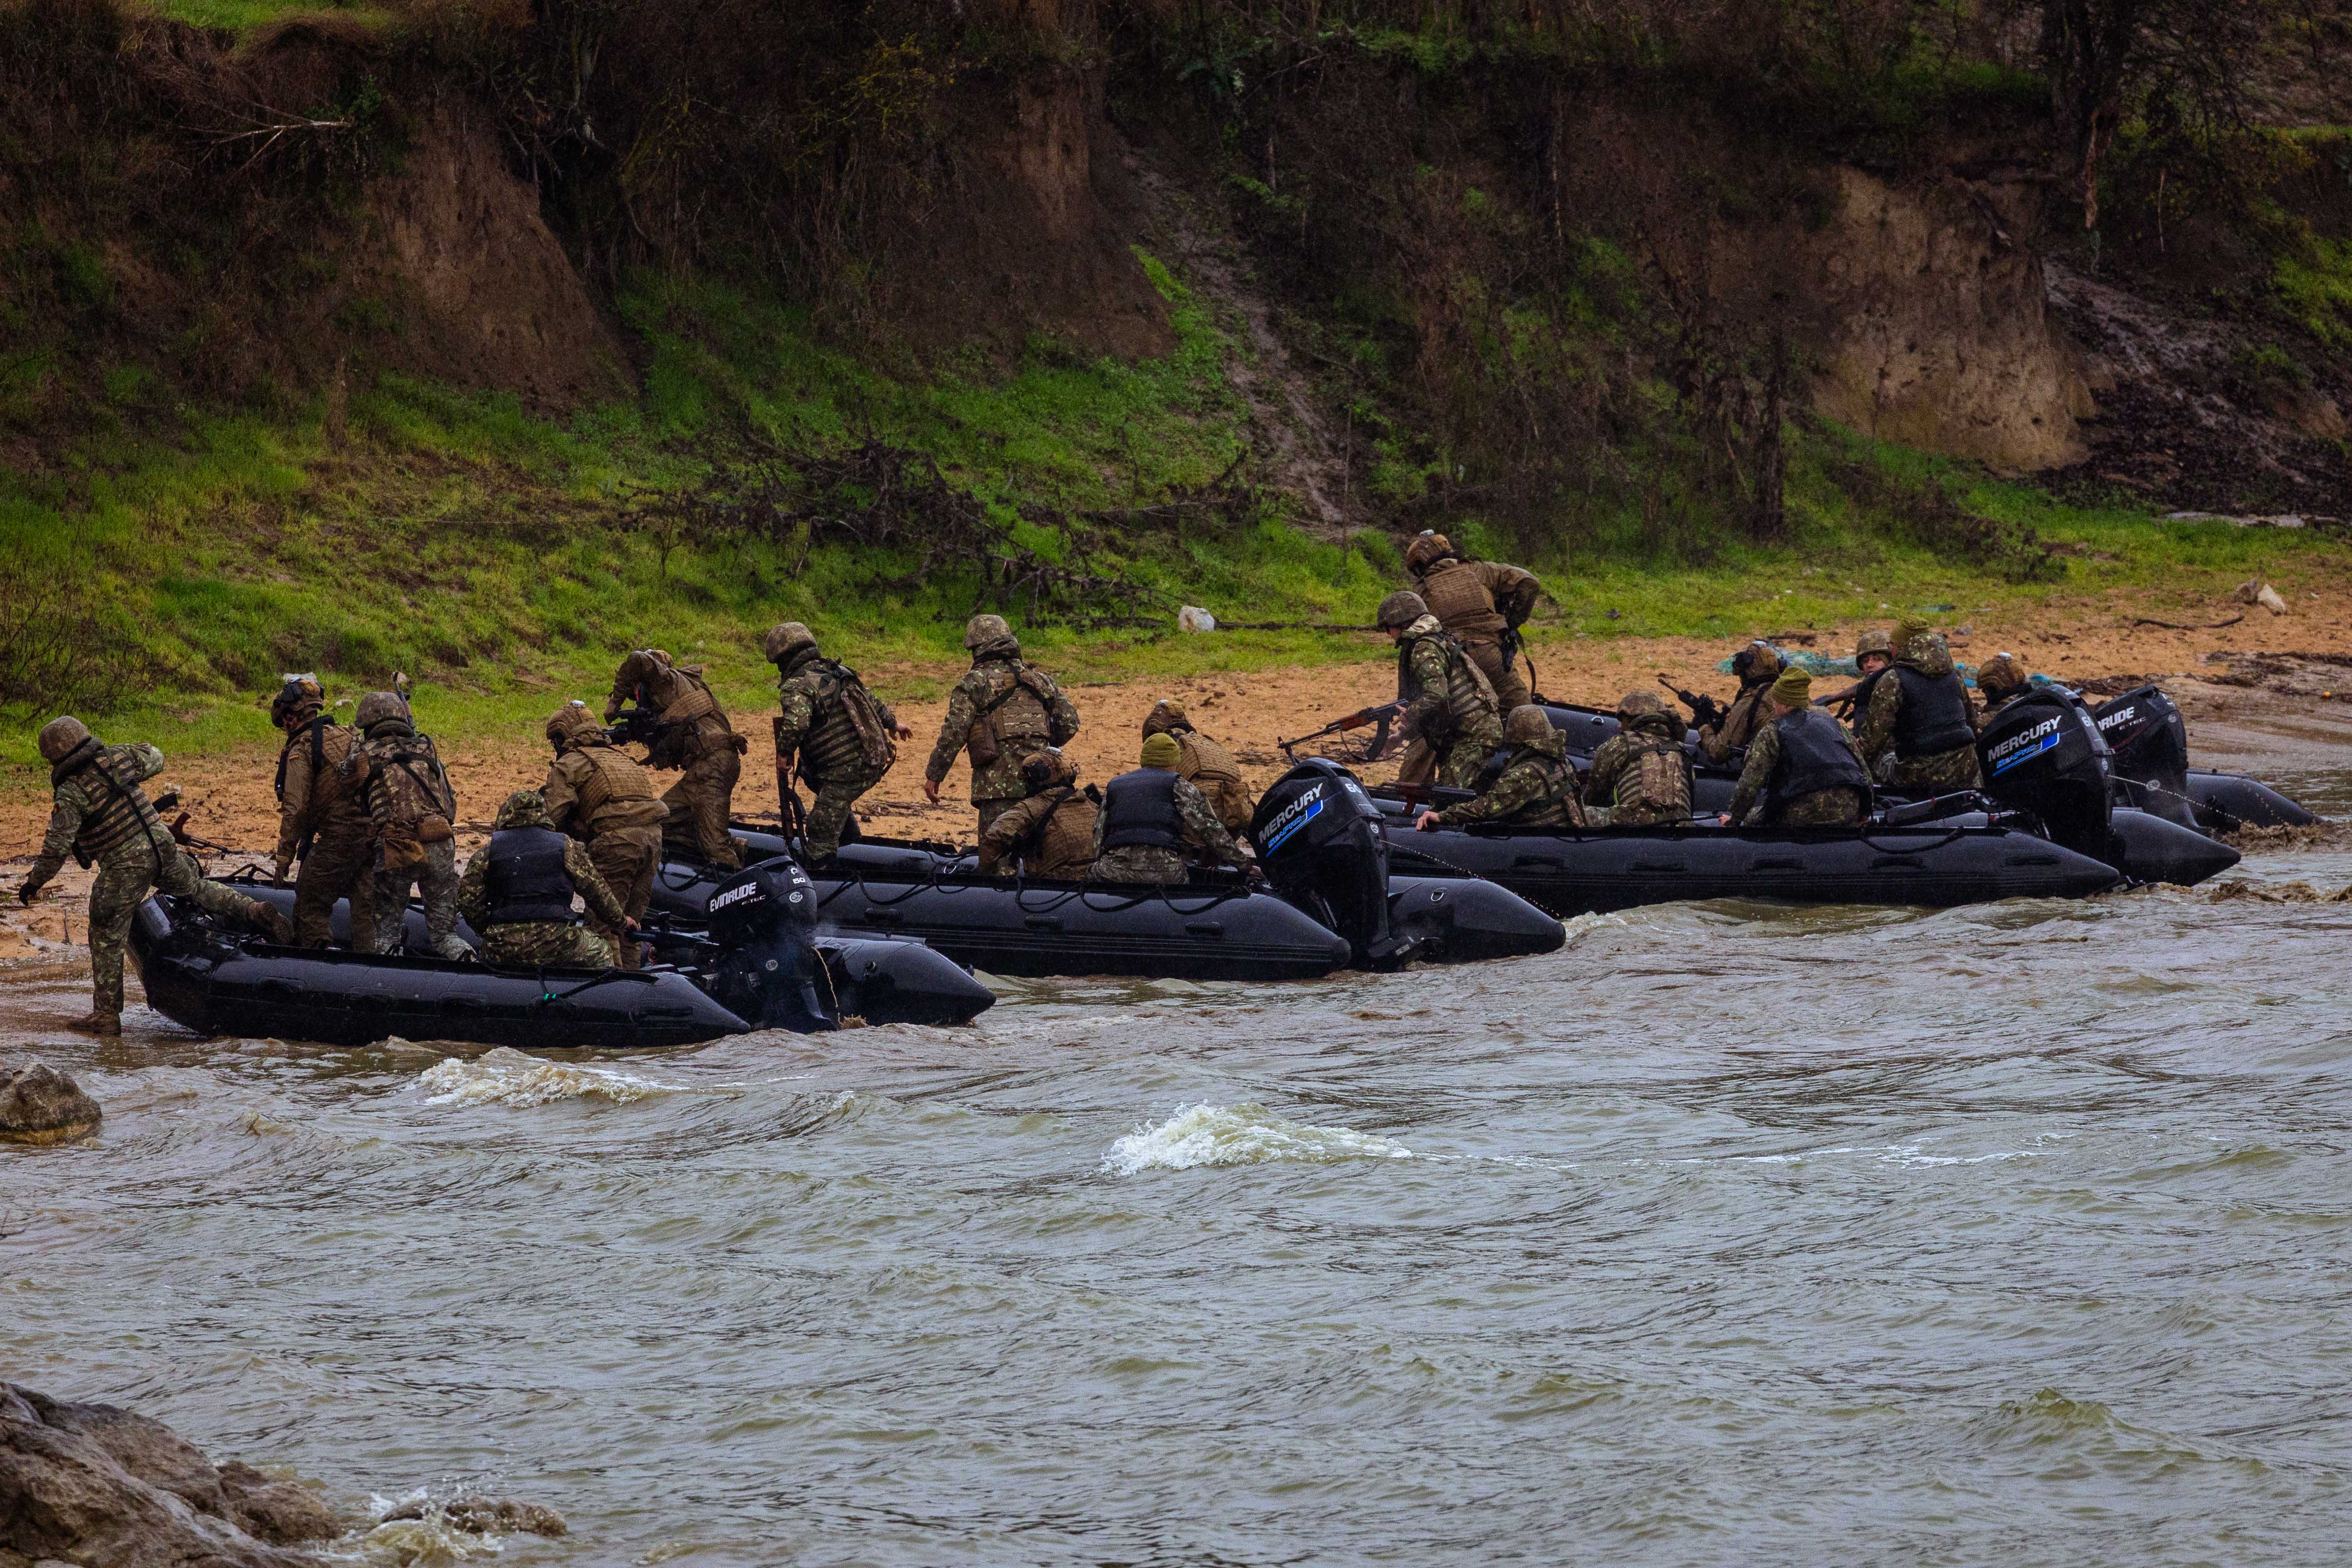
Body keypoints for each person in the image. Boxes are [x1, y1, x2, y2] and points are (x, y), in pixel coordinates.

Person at [17, 715, 284, 1036]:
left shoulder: (71, 793)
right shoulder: (118, 756)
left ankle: (105, 1015)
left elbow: (56, 848)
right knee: (196, 888)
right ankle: (253, 909)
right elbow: (156, 757)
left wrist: (34, 882)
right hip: (160, 841)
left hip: (124, 861)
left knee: (105, 931)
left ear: (54, 756)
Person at [923, 613, 1081, 838]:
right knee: (1039, 858)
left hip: (997, 788)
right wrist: (1041, 744)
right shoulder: (1041, 680)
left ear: (977, 648)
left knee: (997, 860)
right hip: (1044, 781)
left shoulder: (975, 682)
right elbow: (1070, 723)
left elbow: (954, 732)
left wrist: (935, 775)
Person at [766, 621, 912, 863]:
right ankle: (849, 840)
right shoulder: (838, 671)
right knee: (825, 794)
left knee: (820, 828)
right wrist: (894, 724)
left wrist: (784, 753)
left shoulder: (797, 685)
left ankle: (825, 872)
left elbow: (797, 723)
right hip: (875, 758)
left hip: (847, 770)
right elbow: (870, 699)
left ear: (783, 658)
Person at [340, 689, 471, 959]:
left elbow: (345, 780)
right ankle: (467, 964)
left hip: (397, 846)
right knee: (446, 935)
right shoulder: (427, 748)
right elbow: (450, 805)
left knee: (386, 936)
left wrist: (354, 746)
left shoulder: (365, 753)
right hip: (440, 840)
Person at [541, 701, 668, 970]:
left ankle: (613, 995)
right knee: (631, 927)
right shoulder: (621, 758)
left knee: (604, 927)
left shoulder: (569, 764)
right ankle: (634, 986)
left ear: (563, 736)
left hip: (616, 844)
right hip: (654, 839)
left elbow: (551, 819)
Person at [455, 790, 637, 968]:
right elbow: (597, 891)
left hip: (502, 947)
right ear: (544, 815)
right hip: (557, 942)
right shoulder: (567, 846)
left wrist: (488, 931)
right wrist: (620, 922)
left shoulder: (488, 852)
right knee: (602, 950)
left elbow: (468, 900)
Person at [605, 648, 746, 872]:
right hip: (706, 769)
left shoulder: (666, 681)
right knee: (660, 822)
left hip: (710, 768)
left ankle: (737, 880)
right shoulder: (683, 688)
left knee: (715, 847)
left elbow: (637, 659)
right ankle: (720, 841)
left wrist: (615, 703)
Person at [268, 674, 374, 948]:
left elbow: (296, 808)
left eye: (285, 720)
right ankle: (373, 965)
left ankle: (317, 963)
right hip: (372, 836)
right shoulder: (347, 735)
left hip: (340, 838)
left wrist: (284, 857)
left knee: (309, 902)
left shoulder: (302, 748)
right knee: (365, 906)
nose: (284, 726)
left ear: (293, 714)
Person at [1404, 531, 1542, 710]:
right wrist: (1512, 621)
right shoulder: (1478, 570)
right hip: (1490, 655)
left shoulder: (1420, 592)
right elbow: (1530, 582)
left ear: (1419, 566)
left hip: (1453, 663)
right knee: (1525, 712)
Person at [1379, 590, 1503, 789]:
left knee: (1446, 798)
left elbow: (1437, 694)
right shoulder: (1437, 639)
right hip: (1471, 731)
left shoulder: (1422, 648)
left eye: (1388, 628)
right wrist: (1403, 734)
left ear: (1401, 623)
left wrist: (1411, 711)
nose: (1388, 634)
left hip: (1474, 734)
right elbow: (1437, 708)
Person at [1719, 668, 1873, 828]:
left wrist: (1735, 820)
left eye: (1775, 701)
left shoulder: (1774, 730)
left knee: (1754, 816)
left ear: (1785, 704)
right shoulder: (1833, 724)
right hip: (1848, 811)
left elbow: (1750, 783)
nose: (1773, 705)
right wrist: (1864, 813)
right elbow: (1863, 771)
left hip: (1802, 814)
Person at [1089, 733, 1248, 884]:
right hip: (1167, 874)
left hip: (1114, 872)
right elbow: (1212, 831)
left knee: (1091, 873)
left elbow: (1098, 834)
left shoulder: (1115, 785)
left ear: (1144, 760)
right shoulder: (1180, 785)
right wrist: (1244, 865)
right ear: (1174, 761)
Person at [1855, 615, 1981, 793]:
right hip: (1965, 769)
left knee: (1883, 761)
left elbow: (1872, 743)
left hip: (1920, 774)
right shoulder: (1953, 674)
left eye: (1892, 645)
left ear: (1902, 647)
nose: (1891, 650)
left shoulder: (1893, 679)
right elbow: (1972, 722)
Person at [1415, 705, 1586, 831]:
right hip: (1558, 833)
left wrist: (1443, 815)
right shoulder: (1560, 761)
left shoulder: (1526, 773)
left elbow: (1489, 808)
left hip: (1539, 839)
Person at [975, 748, 1099, 880]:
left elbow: (994, 838)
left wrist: (984, 875)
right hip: (1095, 880)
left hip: (1054, 886)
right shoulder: (1092, 805)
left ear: (1033, 780)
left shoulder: (1032, 807)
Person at [1141, 698, 1255, 837]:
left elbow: (1152, 788)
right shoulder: (1209, 743)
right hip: (1235, 823)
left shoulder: (1169, 745)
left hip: (1199, 830)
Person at [1581, 691, 1692, 826]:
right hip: (1684, 828)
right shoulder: (1681, 749)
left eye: (1623, 721)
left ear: (1632, 720)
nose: (1620, 726)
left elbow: (1595, 796)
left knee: (1576, 813)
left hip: (1637, 826)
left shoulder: (1620, 744)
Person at [1694, 642, 1783, 765]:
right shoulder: (1792, 695)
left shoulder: (1749, 703)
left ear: (1747, 673)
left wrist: (1704, 727)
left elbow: (1718, 753)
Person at [1815, 629, 1893, 721]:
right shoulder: (1866, 689)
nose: (1870, 664)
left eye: (1877, 659)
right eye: (1865, 661)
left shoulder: (1898, 686)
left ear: (1889, 661)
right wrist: (1831, 699)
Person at [1972, 653, 2034, 728]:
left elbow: (1973, 726)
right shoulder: (2026, 703)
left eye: (1988, 689)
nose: (1984, 692)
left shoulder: (1994, 717)